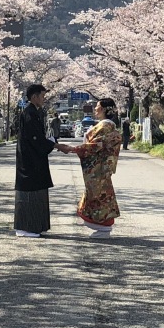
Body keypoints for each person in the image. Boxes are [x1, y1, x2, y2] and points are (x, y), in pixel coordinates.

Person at [14, 84, 70, 238]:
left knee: (38, 191)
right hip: (29, 160)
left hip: (35, 158)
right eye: (42, 96)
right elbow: (36, 139)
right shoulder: (29, 113)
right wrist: (56, 145)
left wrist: (53, 144)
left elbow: (40, 138)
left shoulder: (35, 112)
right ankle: (25, 228)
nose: (44, 99)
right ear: (34, 97)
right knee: (30, 192)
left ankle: (36, 226)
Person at [65, 98, 122, 238]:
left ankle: (103, 227)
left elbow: (95, 145)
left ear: (103, 109)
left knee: (98, 196)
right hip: (100, 168)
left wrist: (74, 149)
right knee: (100, 195)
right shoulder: (106, 126)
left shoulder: (104, 127)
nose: (95, 109)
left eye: (97, 106)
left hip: (98, 168)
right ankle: (103, 226)